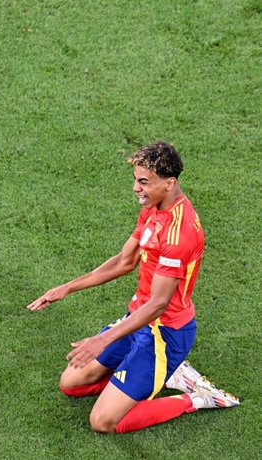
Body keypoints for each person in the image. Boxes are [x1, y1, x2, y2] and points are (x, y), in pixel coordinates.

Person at [27, 141, 239, 434]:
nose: (136, 188)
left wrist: (102, 340)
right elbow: (125, 261)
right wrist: (66, 288)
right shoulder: (154, 207)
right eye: (135, 180)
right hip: (137, 320)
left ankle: (197, 398)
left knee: (103, 421)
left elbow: (159, 304)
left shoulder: (180, 234)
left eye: (144, 182)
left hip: (165, 334)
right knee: (71, 384)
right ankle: (159, 378)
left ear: (169, 183)